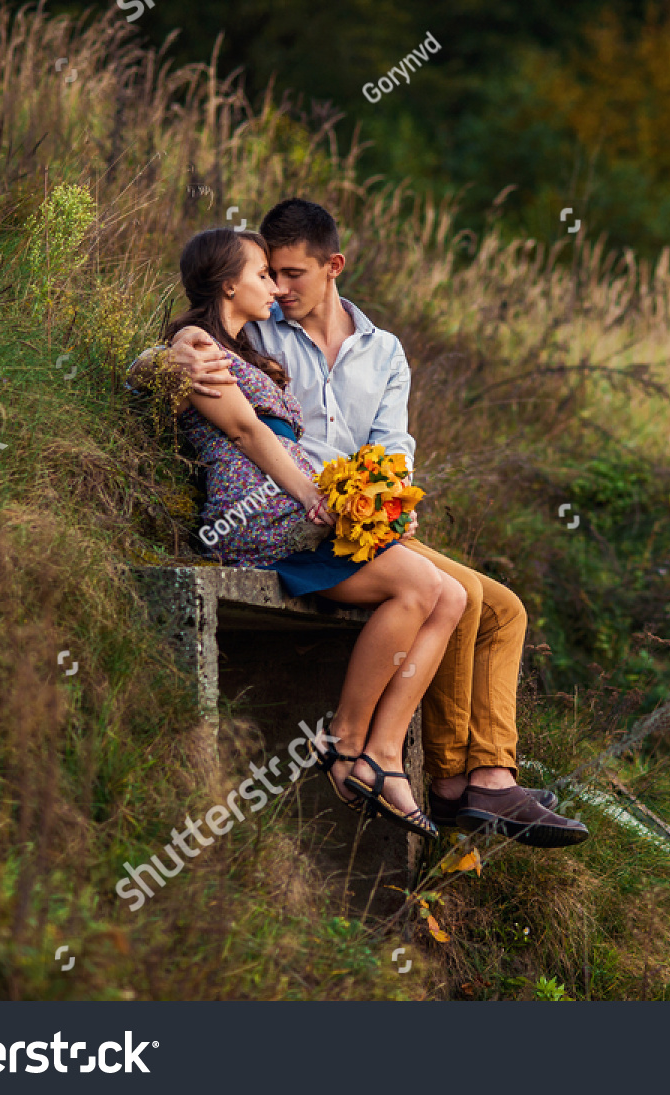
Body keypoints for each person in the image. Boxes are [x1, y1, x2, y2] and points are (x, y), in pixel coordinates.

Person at [132, 199, 586, 848]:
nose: (280, 287)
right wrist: (165, 356)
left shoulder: (383, 350)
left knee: (503, 607)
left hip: (354, 516)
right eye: (270, 273)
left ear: (332, 266)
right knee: (460, 595)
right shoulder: (262, 332)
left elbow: (392, 442)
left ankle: (482, 772)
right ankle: (441, 778)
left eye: (291, 274)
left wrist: (390, 493)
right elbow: (197, 356)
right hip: (300, 519)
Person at [160, 225, 469, 841]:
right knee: (416, 587)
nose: (273, 286)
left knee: (452, 596)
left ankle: (382, 755)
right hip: (255, 516)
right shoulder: (196, 343)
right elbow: (249, 435)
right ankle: (343, 740)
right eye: (261, 274)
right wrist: (311, 498)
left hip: (292, 510)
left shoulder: (248, 350)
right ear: (228, 285)